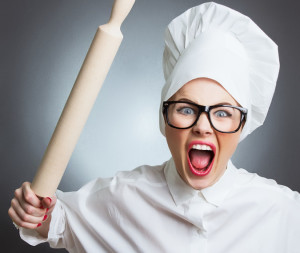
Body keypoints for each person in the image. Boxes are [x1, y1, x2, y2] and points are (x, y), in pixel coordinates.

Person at [8, 2, 300, 252]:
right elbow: (53, 220)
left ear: (243, 125)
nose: (202, 126)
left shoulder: (284, 212)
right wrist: (34, 209)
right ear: (164, 117)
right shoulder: (122, 198)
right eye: (186, 109)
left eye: (223, 113)